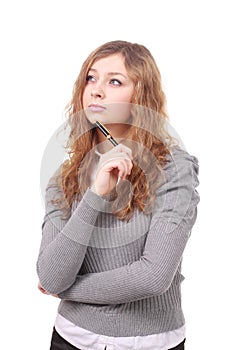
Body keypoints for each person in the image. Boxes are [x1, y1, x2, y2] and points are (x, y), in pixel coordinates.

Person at [37, 40, 200, 350]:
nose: (96, 90)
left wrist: (67, 290)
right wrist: (95, 195)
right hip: (71, 340)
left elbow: (153, 276)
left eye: (114, 81)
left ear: (140, 96)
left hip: (151, 343)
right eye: (91, 77)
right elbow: (51, 273)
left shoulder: (174, 168)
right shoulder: (65, 177)